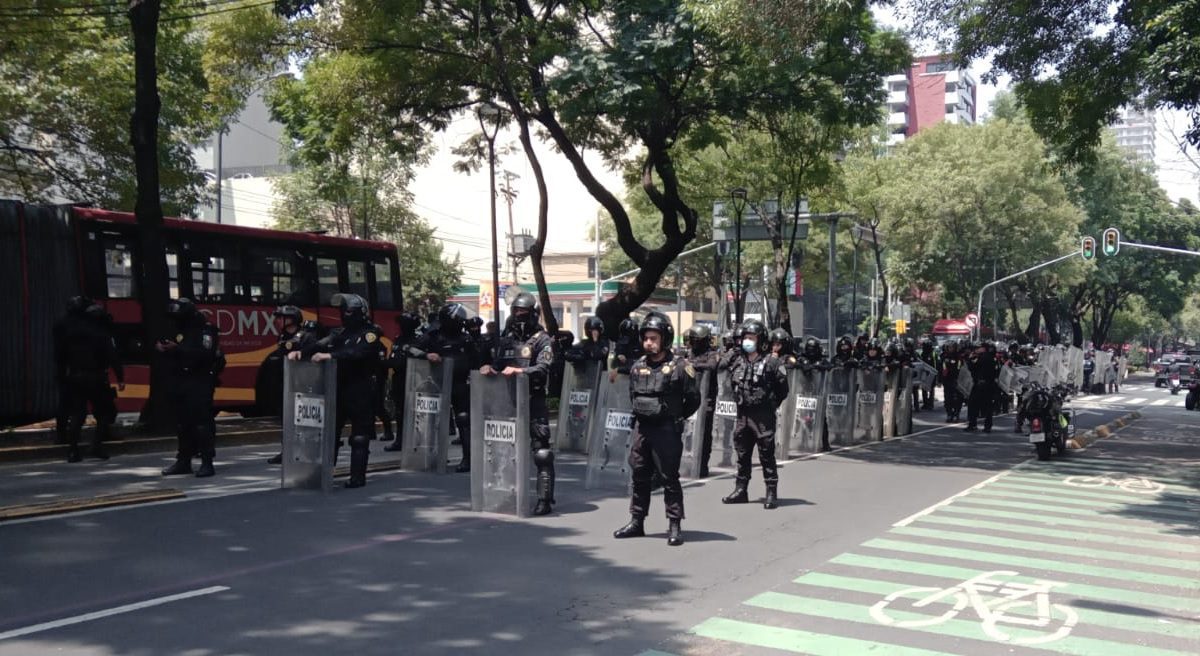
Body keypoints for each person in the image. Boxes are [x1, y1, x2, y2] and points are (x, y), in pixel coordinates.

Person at [613, 312, 701, 546]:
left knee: (669, 478)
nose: (649, 343)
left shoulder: (680, 366)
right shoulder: (637, 366)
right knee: (639, 475)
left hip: (666, 430)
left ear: (665, 339)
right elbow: (633, 395)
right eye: (646, 338)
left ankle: (674, 524)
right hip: (642, 429)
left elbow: (693, 399)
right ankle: (636, 522)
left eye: (654, 338)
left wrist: (677, 417)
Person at [290, 293, 382, 488]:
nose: (345, 315)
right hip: (337, 388)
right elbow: (318, 345)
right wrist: (301, 352)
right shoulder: (339, 333)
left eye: (349, 311)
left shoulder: (369, 334)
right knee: (329, 433)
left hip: (360, 388)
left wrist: (330, 356)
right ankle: (323, 474)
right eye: (343, 311)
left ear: (360, 312)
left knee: (359, 435)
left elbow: (357, 353)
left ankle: (358, 476)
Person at [480, 292, 557, 515]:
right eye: (516, 313)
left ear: (533, 314)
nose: (519, 317)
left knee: (541, 451)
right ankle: (503, 492)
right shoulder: (507, 339)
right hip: (507, 402)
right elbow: (497, 365)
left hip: (533, 399)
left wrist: (521, 371)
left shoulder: (543, 339)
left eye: (524, 313)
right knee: (501, 449)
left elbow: (544, 367)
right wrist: (489, 369)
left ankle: (544, 498)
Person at [722, 319, 789, 509]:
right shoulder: (737, 360)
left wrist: (770, 404)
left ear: (760, 340)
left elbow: (783, 389)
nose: (747, 341)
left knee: (766, 453)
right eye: (745, 338)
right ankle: (741, 490)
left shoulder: (772, 362)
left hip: (763, 416)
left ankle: (771, 492)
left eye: (751, 338)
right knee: (742, 454)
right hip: (743, 414)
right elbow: (720, 369)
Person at [404, 303, 478, 472]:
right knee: (431, 420)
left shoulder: (465, 339)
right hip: (436, 385)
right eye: (458, 318)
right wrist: (426, 355)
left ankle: (468, 459)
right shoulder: (433, 336)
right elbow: (410, 349)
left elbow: (476, 361)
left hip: (460, 384)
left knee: (464, 419)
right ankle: (431, 457)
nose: (461, 321)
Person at [158, 298, 223, 478]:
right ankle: (183, 460)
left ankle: (207, 462)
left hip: (199, 380)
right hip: (180, 381)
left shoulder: (206, 331)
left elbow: (205, 354)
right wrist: (164, 349)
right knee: (182, 423)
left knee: (202, 423)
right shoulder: (178, 330)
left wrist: (177, 349)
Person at [54, 296, 124, 463]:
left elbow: (60, 356)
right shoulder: (101, 333)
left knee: (78, 414)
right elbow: (112, 356)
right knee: (106, 411)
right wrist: (120, 377)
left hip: (75, 377)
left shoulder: (70, 332)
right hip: (96, 377)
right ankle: (96, 445)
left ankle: (73, 451)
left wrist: (63, 375)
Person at [266, 305, 318, 464]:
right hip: (286, 383)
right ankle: (287, 451)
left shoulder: (306, 336)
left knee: (303, 421)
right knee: (286, 419)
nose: (277, 321)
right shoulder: (283, 336)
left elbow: (311, 358)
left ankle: (306, 452)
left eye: (281, 318)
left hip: (302, 384)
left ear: (291, 319)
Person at [382, 312, 422, 452]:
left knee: (417, 413)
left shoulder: (419, 340)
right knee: (400, 412)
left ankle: (418, 441)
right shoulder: (398, 339)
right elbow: (394, 358)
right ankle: (400, 440)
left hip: (414, 379)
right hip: (399, 379)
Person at [683, 324, 719, 478]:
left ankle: (702, 464)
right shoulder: (688, 353)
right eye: (693, 340)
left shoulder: (712, 354)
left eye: (697, 340)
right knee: (687, 432)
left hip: (706, 400)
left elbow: (711, 366)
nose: (694, 343)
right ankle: (686, 464)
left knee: (704, 434)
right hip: (689, 397)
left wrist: (692, 365)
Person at [965, 341, 999, 433]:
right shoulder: (991, 357)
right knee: (987, 406)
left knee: (973, 405)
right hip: (987, 385)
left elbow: (972, 368)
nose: (976, 349)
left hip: (981, 385)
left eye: (978, 348)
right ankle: (987, 426)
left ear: (983, 348)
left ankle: (973, 424)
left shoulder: (983, 358)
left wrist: (970, 359)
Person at [940, 340, 964, 422]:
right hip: (947, 380)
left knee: (957, 398)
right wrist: (940, 379)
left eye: (952, 347)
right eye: (949, 347)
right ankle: (949, 414)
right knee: (948, 398)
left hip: (956, 380)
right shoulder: (944, 357)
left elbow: (960, 368)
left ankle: (956, 413)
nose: (950, 349)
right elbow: (941, 369)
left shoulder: (959, 357)